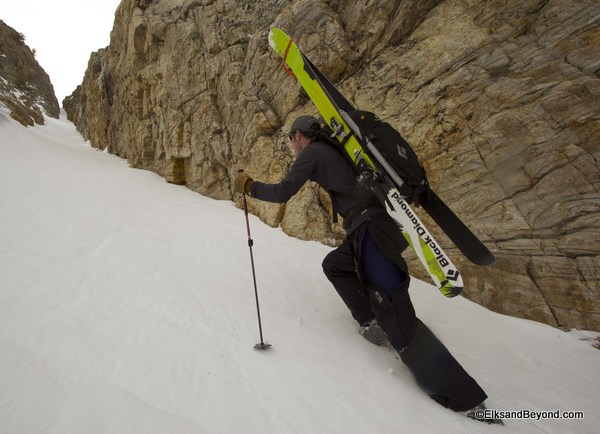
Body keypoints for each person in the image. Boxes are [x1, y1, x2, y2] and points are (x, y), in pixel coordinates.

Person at [234, 115, 492, 418]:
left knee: (396, 310)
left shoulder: (314, 152)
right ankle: (373, 322)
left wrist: (249, 186)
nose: (291, 147)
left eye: (291, 140)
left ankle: (467, 400)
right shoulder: (331, 152)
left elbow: (282, 192)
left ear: (298, 136)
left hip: (372, 231)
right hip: (366, 230)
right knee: (336, 265)